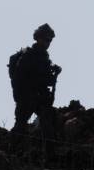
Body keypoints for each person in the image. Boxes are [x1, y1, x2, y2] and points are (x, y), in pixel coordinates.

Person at [8, 23, 61, 152]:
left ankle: (50, 154)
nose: (48, 43)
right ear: (38, 38)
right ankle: (10, 151)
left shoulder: (44, 58)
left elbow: (47, 80)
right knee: (20, 125)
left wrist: (54, 73)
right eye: (46, 39)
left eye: (50, 40)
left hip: (39, 97)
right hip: (27, 97)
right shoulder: (29, 56)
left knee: (47, 123)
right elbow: (20, 78)